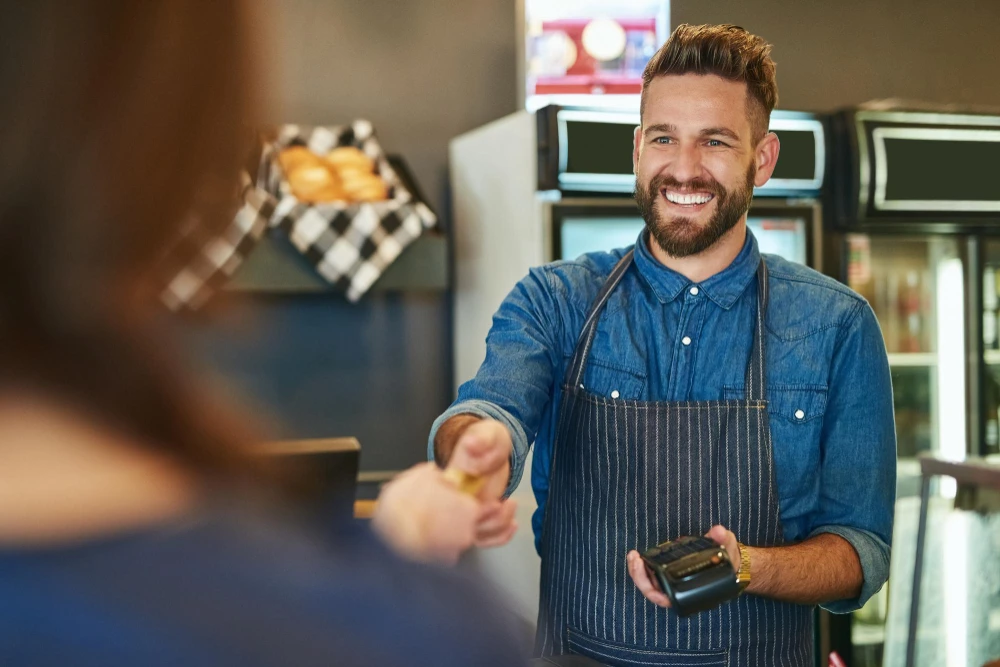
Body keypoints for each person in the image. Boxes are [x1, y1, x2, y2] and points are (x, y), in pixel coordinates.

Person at [0, 2, 526, 665]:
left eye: (706, 137)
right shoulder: (407, 630)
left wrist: (407, 528)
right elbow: (506, 385)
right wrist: (475, 442)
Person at [430, 23, 896, 665]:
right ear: (637, 149)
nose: (683, 168)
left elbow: (860, 553)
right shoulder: (557, 300)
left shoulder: (837, 325)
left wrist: (748, 567)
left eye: (715, 142)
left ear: (762, 159)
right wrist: (476, 454)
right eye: (663, 138)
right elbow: (491, 409)